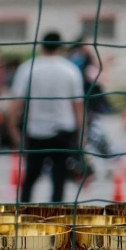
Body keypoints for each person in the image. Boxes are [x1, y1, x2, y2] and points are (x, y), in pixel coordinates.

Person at [9, 31, 85, 203]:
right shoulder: (70, 70)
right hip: (64, 130)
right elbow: (78, 105)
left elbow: (17, 103)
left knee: (30, 177)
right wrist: (82, 133)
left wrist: (13, 128)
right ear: (60, 47)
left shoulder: (28, 68)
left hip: (37, 131)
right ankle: (56, 214)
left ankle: (24, 211)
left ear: (41, 46)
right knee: (59, 179)